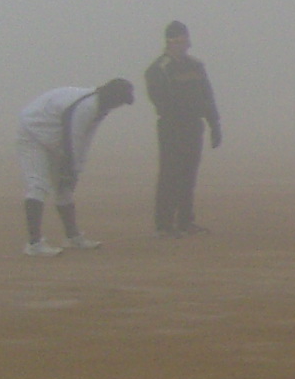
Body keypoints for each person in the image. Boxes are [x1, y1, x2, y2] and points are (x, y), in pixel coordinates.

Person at [16, 79, 137, 254]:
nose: (119, 105)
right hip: (32, 135)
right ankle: (34, 244)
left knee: (64, 188)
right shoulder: (87, 106)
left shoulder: (101, 107)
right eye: (120, 100)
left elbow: (85, 139)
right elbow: (75, 138)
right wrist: (72, 168)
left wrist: (75, 169)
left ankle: (73, 237)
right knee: (38, 185)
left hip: (52, 137)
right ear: (111, 96)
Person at [144, 21, 222, 235]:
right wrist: (179, 116)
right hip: (171, 127)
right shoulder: (159, 69)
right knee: (170, 174)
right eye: (178, 40)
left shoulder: (196, 66)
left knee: (189, 173)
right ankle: (164, 225)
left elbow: (207, 96)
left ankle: (186, 221)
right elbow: (160, 100)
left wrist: (214, 124)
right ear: (170, 41)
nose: (183, 44)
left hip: (193, 126)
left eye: (185, 39)